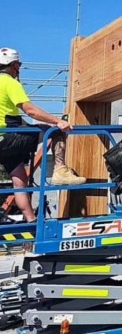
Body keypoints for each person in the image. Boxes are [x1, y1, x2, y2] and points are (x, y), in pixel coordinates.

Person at [0, 48, 85, 223]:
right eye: (19, 64)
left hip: (3, 142)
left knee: (20, 181)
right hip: (9, 138)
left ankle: (31, 221)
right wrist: (57, 121)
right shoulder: (10, 83)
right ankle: (60, 171)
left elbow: (10, 117)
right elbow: (30, 110)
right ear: (14, 65)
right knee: (55, 131)